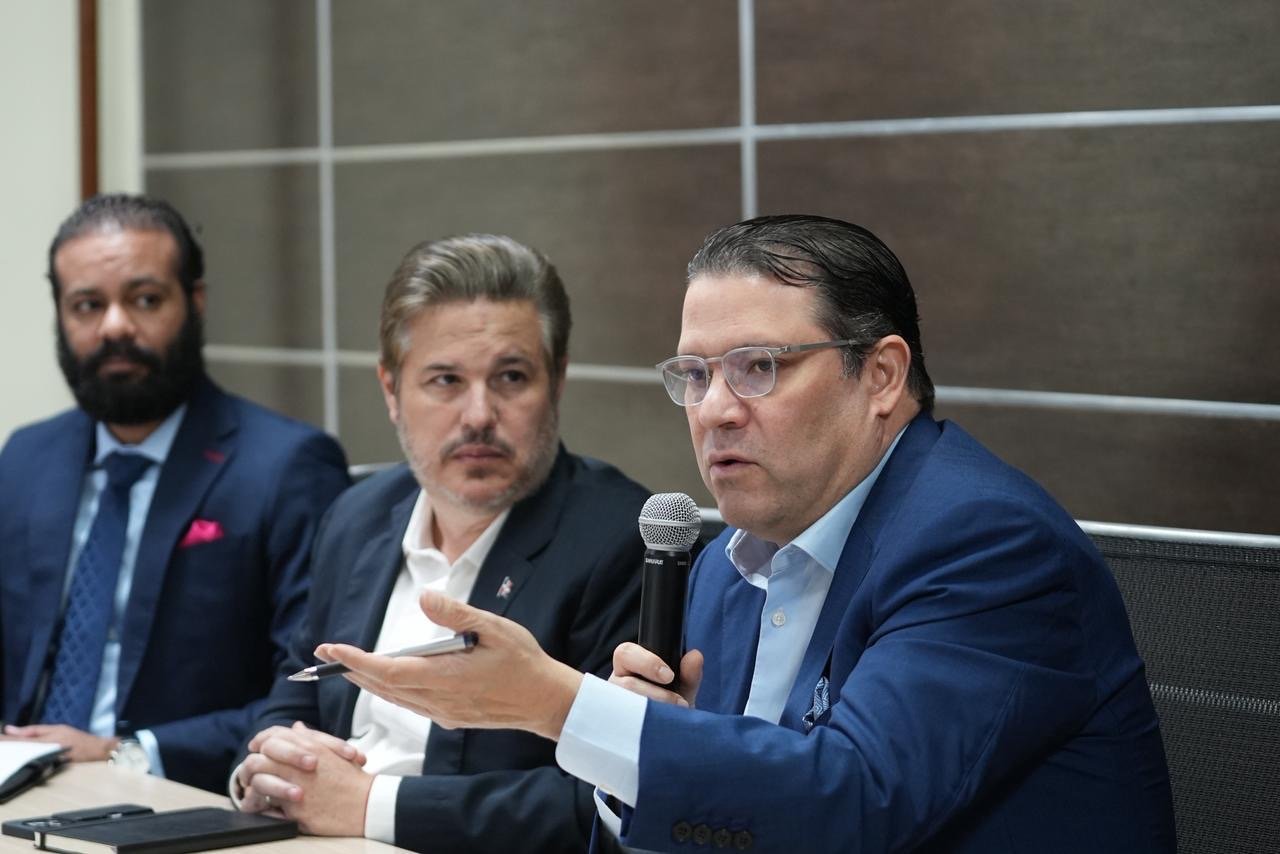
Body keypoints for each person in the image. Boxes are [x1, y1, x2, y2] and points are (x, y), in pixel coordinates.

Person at [319, 215, 1177, 852]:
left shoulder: (984, 543)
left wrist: (558, 704)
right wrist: (636, 752)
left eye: (758, 367)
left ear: (881, 375)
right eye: (695, 375)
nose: (715, 410)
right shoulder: (723, 564)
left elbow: (855, 801)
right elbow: (726, 816)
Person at [232, 234, 649, 853]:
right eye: (446, 380)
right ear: (391, 391)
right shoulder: (357, 517)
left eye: (511, 377)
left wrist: (369, 805)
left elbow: (611, 803)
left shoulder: (621, 540)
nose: (478, 414)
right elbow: (294, 694)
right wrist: (271, 763)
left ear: (557, 381)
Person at [0, 194, 351, 793]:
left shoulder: (286, 467)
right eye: (87, 305)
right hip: (20, 787)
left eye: (145, 300)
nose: (115, 327)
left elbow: (314, 690)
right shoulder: (27, 457)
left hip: (174, 797)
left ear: (195, 302)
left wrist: (127, 754)